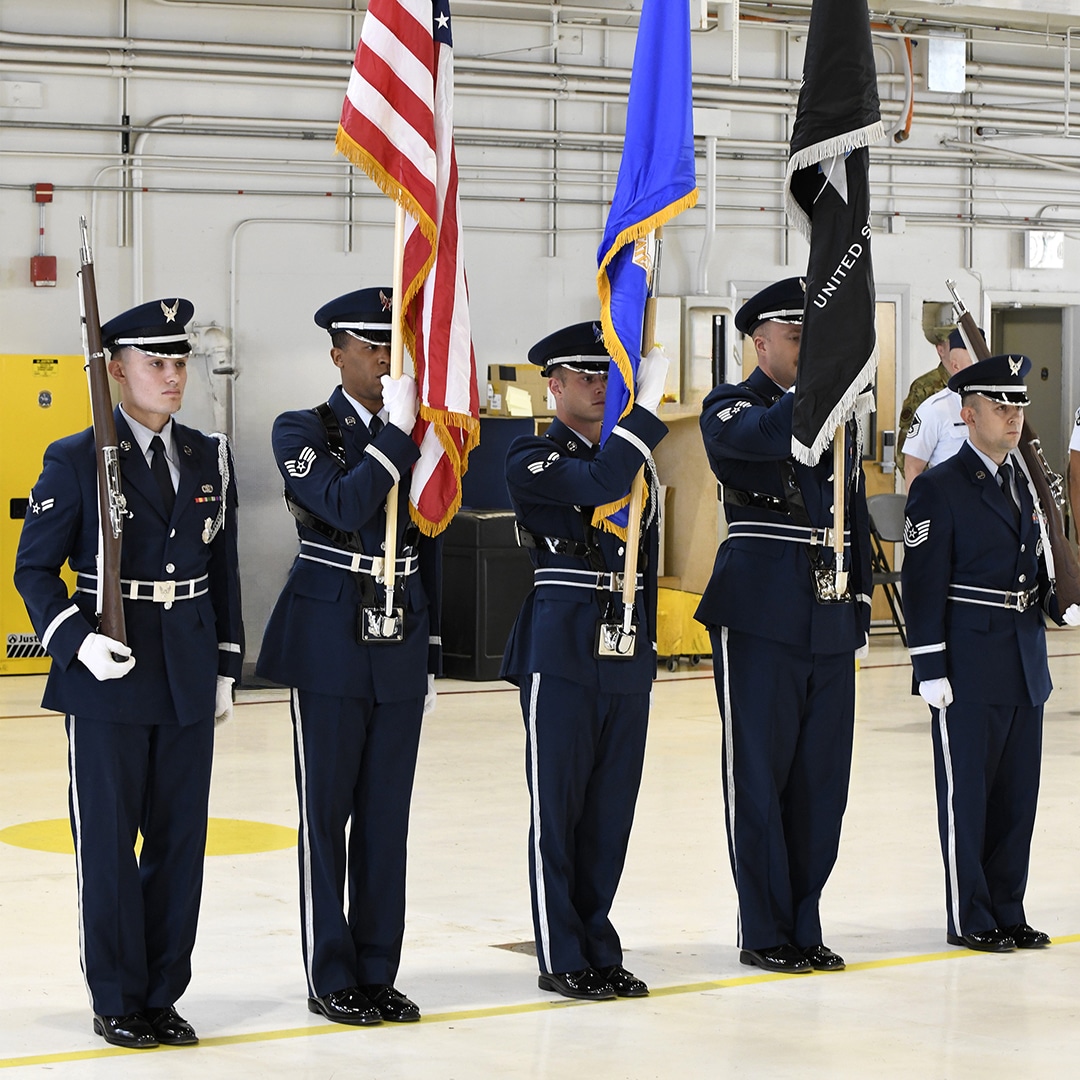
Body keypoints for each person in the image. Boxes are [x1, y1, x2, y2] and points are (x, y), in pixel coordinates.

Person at [14, 298, 243, 1049]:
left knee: (180, 843)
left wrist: (225, 667)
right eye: (156, 362)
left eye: (180, 362)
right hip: (109, 671)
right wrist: (74, 641)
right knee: (110, 846)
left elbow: (224, 567)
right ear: (115, 371)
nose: (173, 376)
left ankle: (162, 994)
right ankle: (116, 996)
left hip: (185, 666)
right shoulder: (76, 459)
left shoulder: (209, 453)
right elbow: (34, 571)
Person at [256, 287, 439, 1026]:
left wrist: (429, 653)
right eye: (370, 347)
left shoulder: (421, 434)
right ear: (337, 354)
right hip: (329, 635)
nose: (385, 361)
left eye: (393, 347)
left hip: (399, 634)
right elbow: (344, 504)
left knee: (386, 817)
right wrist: (395, 435)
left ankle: (376, 968)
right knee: (327, 814)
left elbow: (429, 544)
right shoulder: (301, 427)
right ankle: (331, 973)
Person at [694, 278, 871, 975]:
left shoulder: (839, 419)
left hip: (828, 612)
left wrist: (858, 605)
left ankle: (805, 920)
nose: (808, 348)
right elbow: (769, 436)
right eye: (798, 337)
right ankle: (763, 929)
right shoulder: (728, 407)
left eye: (813, 336)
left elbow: (850, 513)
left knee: (821, 782)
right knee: (760, 777)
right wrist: (824, 389)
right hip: (760, 609)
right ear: (759, 342)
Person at [501, 320, 668, 1001]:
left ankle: (598, 942)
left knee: (609, 811)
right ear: (555, 383)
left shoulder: (635, 460)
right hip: (563, 643)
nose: (602, 386)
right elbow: (599, 482)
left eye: (610, 375)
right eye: (586, 375)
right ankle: (560, 952)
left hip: (623, 642)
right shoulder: (530, 456)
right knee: (560, 808)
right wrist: (645, 415)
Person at [902, 354, 1080, 953]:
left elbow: (1034, 560)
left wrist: (1060, 603)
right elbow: (921, 581)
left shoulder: (1021, 481)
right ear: (967, 412)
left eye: (1020, 406)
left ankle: (1008, 907)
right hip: (968, 663)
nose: (1014, 417)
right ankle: (970, 914)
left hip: (1022, 660)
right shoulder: (938, 487)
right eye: (1002, 406)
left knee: (1015, 800)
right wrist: (929, 663)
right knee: (968, 798)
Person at [901, 328, 978, 490]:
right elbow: (911, 463)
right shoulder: (931, 402)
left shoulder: (995, 404)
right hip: (944, 496)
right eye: (973, 363)